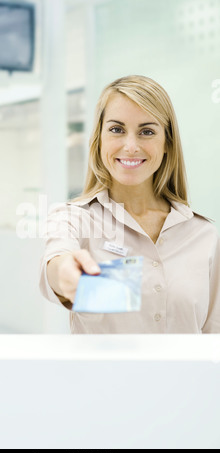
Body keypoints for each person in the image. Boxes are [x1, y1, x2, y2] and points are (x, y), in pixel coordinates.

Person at [39, 75, 220, 334]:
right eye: (116, 130)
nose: (131, 146)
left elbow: (214, 336)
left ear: (167, 143)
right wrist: (65, 272)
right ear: (99, 138)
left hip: (186, 376)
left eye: (147, 131)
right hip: (105, 376)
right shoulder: (73, 219)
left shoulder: (203, 235)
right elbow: (56, 261)